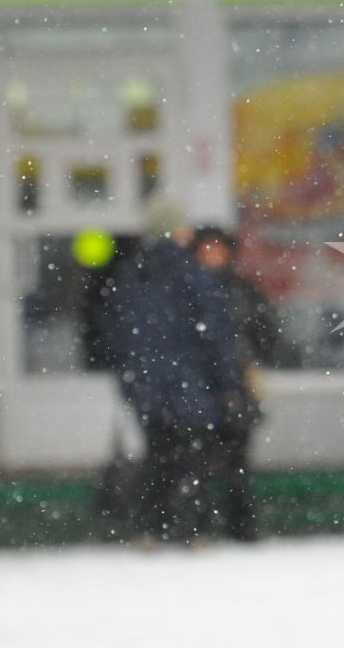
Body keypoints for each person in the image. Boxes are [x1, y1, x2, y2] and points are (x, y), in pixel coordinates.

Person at [104, 206, 247, 545]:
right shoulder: (192, 273)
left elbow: (118, 334)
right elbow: (214, 334)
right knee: (194, 459)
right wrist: (229, 384)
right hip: (191, 381)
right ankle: (193, 529)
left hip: (148, 383)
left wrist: (131, 380)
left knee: (157, 456)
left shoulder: (131, 274)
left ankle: (149, 528)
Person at [191, 225, 279, 543]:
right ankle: (199, 524)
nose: (213, 256)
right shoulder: (189, 291)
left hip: (237, 386)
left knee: (237, 459)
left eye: (218, 249)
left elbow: (265, 331)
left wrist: (249, 364)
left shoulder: (241, 291)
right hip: (200, 387)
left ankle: (240, 523)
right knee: (197, 460)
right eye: (206, 250)